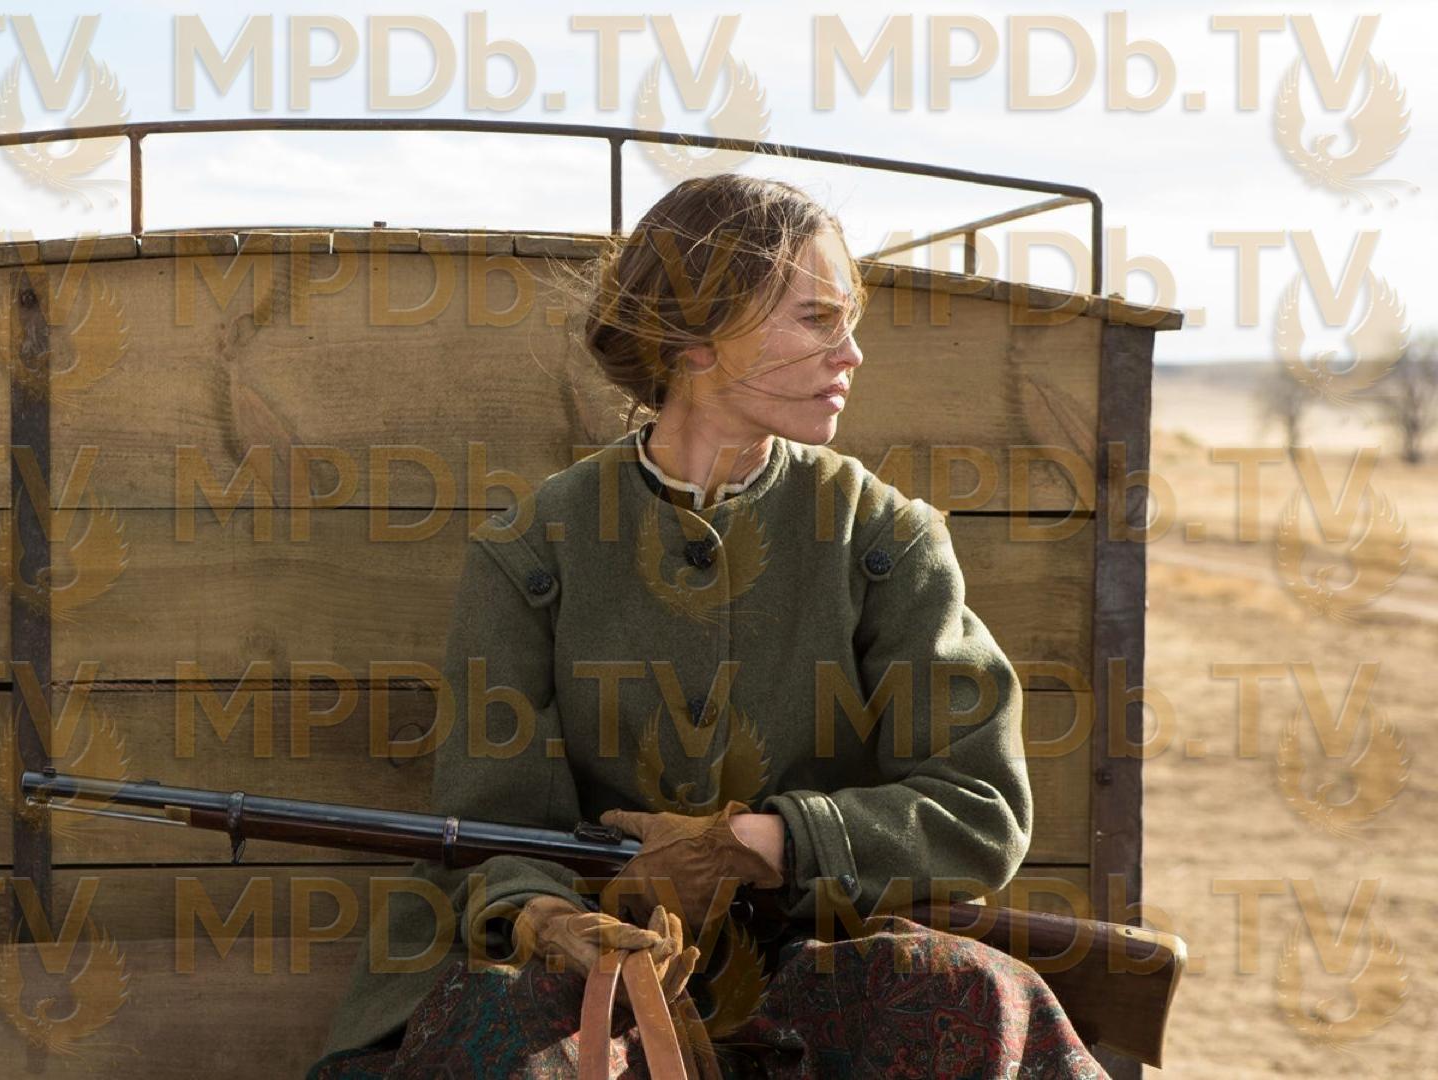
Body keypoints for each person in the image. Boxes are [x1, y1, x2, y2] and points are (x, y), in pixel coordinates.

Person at [306, 173, 1107, 1078]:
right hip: (583, 978)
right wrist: (550, 920)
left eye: (848, 321)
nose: (851, 353)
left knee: (972, 992)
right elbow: (491, 829)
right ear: (690, 337)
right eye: (816, 319)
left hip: (801, 971)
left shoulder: (881, 540)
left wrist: (764, 842)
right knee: (503, 1033)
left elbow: (979, 808)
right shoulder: (533, 552)